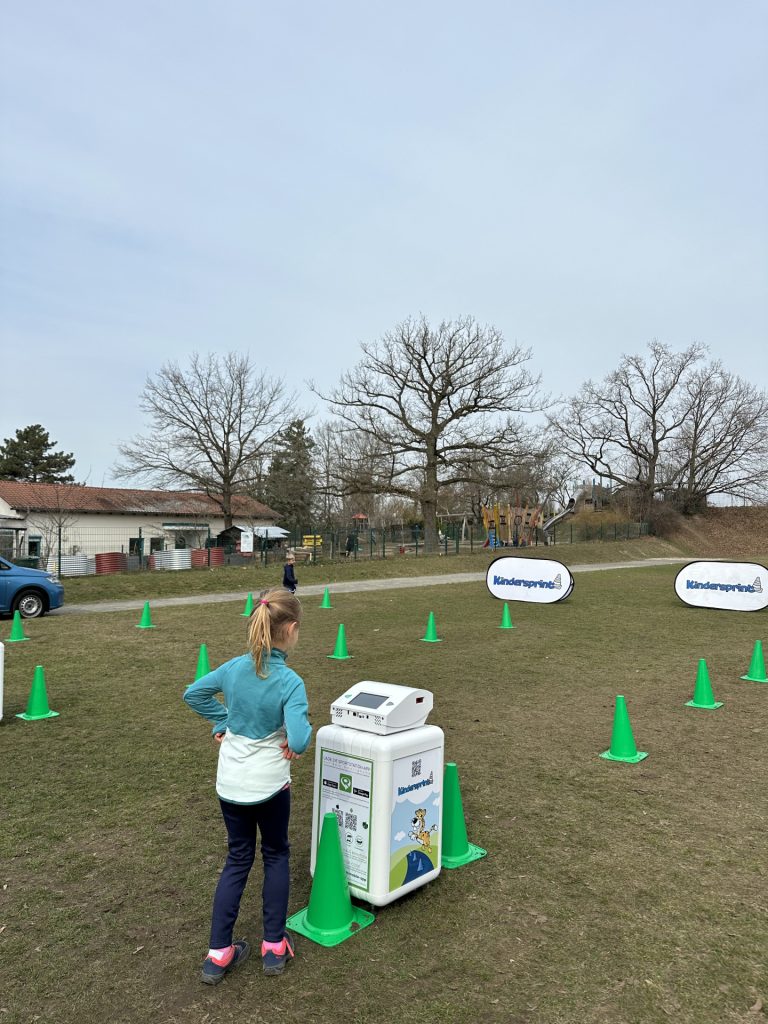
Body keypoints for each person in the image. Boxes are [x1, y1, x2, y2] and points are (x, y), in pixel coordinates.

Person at [183, 588, 312, 985]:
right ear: (290, 629)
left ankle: (218, 953)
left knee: (238, 858)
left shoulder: (233, 668)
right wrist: (295, 736)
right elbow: (300, 739)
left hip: (231, 784)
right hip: (270, 785)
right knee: (275, 854)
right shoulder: (290, 681)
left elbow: (193, 694)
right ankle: (273, 945)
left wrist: (223, 719)